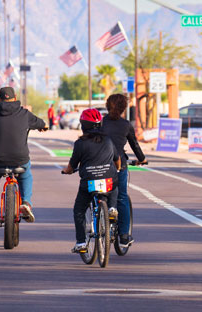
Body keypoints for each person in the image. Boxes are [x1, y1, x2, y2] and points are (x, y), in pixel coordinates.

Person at [0, 87, 46, 227]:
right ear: (14, 98)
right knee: (26, 175)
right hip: (20, 158)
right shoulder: (24, 113)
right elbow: (41, 123)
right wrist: (43, 126)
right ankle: (26, 203)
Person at [61, 109, 120, 253]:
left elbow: (72, 166)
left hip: (89, 182)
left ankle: (81, 243)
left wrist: (67, 171)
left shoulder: (80, 143)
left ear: (83, 125)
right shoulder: (108, 140)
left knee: (79, 210)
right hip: (108, 180)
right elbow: (117, 159)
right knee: (114, 186)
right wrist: (117, 168)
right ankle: (112, 208)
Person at [101, 94, 146, 247]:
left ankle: (100, 215)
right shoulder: (126, 125)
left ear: (107, 106)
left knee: (99, 195)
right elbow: (135, 145)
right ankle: (124, 235)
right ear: (123, 108)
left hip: (100, 164)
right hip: (119, 165)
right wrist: (142, 158)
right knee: (122, 198)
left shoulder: (100, 122)